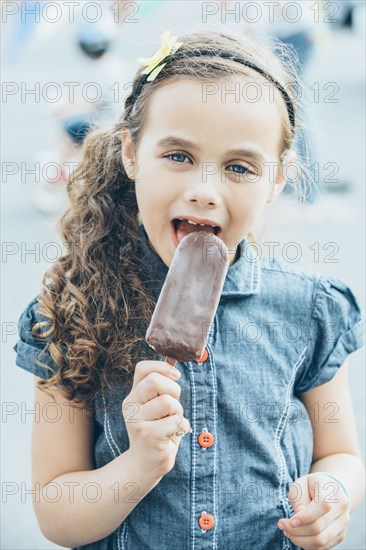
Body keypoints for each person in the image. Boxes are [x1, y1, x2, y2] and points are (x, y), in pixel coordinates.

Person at [13, 29, 365, 549]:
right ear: (132, 153)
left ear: (278, 179)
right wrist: (138, 464)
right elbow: (57, 515)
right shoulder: (70, 312)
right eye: (177, 155)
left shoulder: (309, 310)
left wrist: (332, 492)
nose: (204, 189)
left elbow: (341, 455)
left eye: (239, 167)